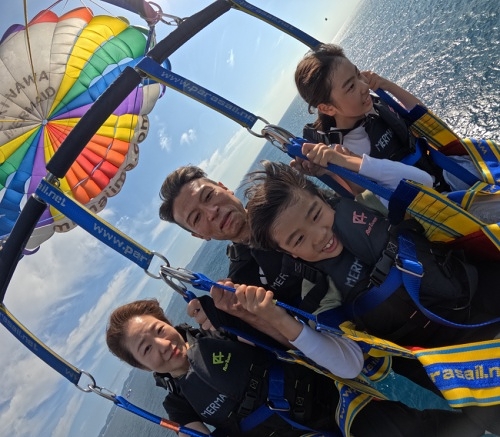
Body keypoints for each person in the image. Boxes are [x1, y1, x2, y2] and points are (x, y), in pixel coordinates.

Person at [244, 158, 500, 434]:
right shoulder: (321, 295)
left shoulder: (370, 206)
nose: (319, 236)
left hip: (482, 292)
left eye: (316, 215)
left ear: (323, 199)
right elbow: (349, 365)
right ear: (289, 254)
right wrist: (278, 320)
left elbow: (422, 183)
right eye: (298, 240)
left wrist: (346, 163)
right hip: (458, 365)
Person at [105, 297, 485, 437]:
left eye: (159, 330)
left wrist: (225, 314)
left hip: (337, 405)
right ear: (142, 366)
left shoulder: (215, 331)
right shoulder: (178, 404)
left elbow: (268, 334)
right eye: (146, 349)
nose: (163, 345)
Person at [293, 43, 500, 223]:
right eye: (351, 87)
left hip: (445, 169)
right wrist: (330, 169)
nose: (363, 86)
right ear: (328, 108)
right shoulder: (341, 149)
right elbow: (361, 191)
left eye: (358, 74)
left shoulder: (373, 105)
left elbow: (422, 117)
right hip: (432, 206)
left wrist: (385, 85)